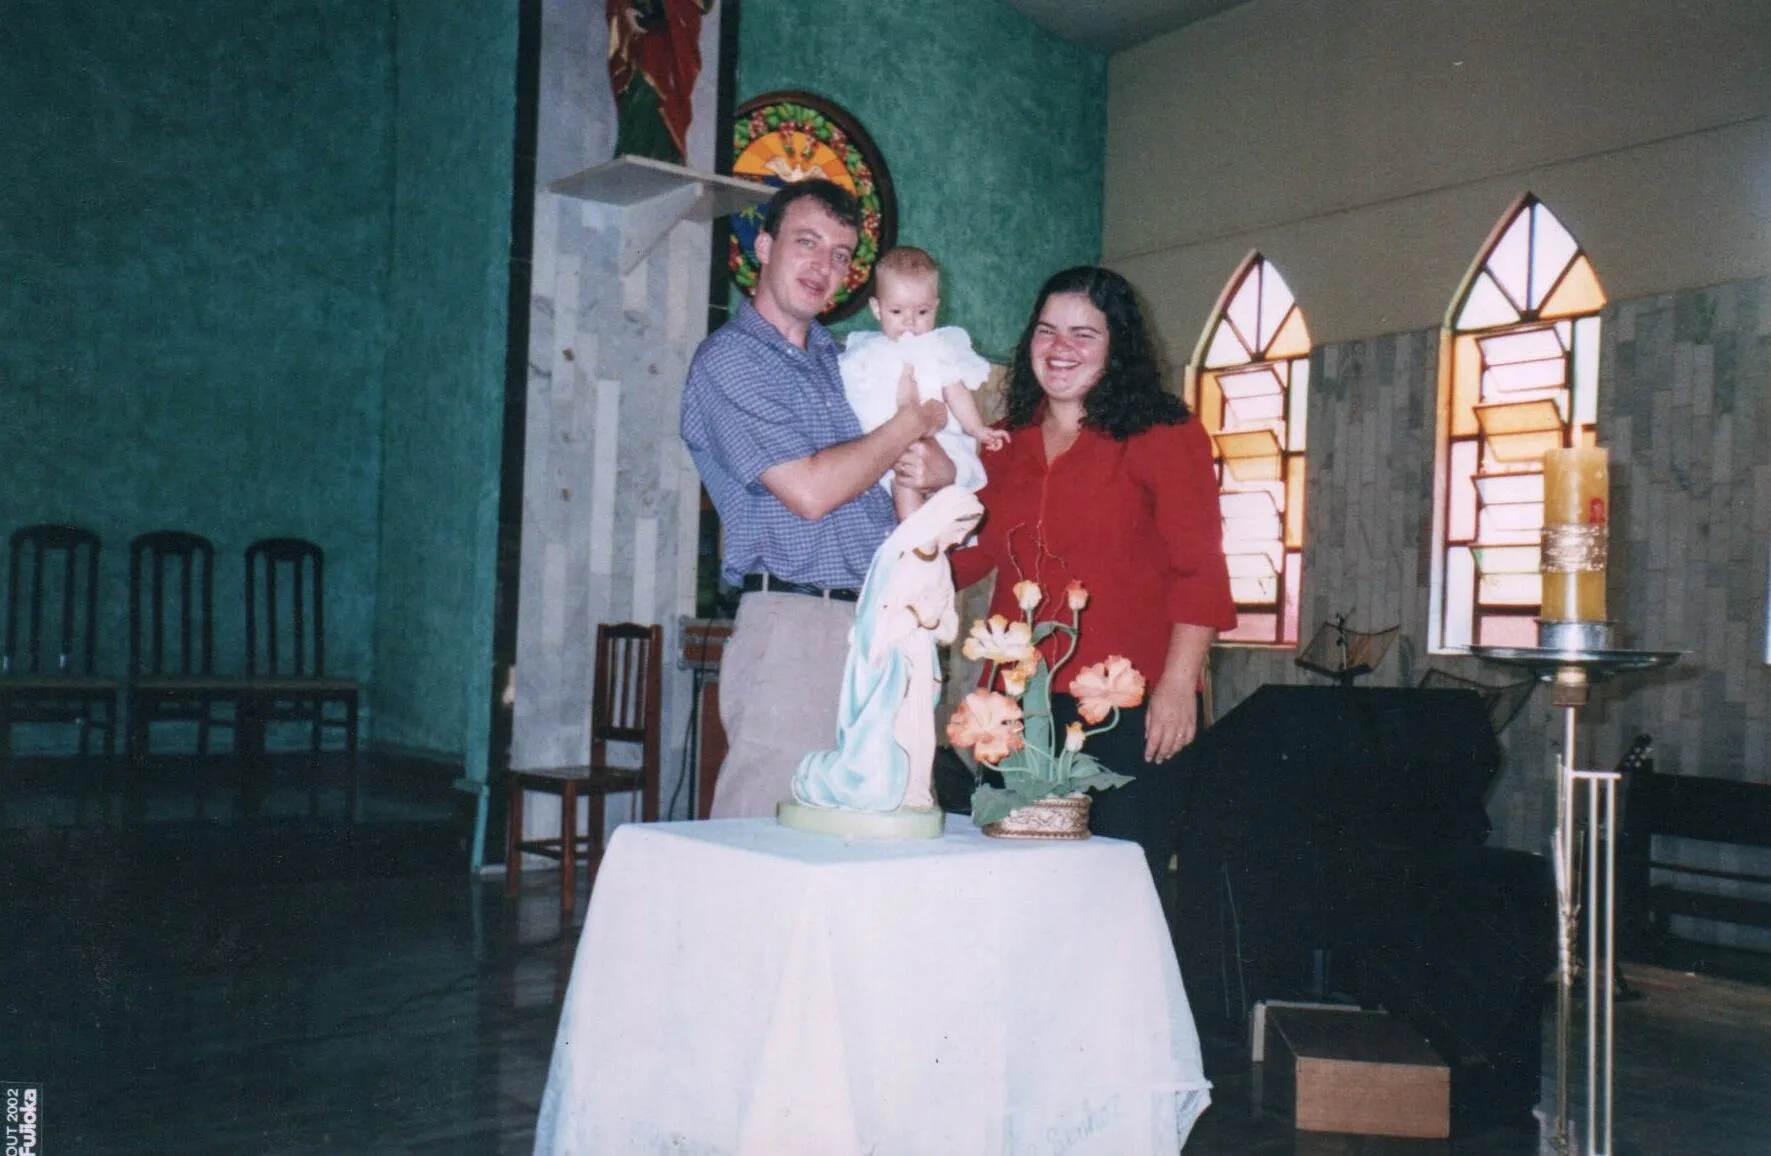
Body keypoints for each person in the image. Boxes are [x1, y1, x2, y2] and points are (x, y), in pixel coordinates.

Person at [680, 179, 956, 819]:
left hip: (879, 623)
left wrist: (936, 468)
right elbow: (809, 491)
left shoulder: (849, 360)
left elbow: (899, 487)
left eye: (840, 254)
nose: (824, 266)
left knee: (877, 834)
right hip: (795, 624)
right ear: (765, 246)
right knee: (768, 837)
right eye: (807, 243)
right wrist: (910, 426)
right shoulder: (731, 360)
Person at [950, 266, 1236, 881]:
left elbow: (1200, 569)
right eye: (1048, 331)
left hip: (1128, 708)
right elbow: (967, 556)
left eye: (1084, 334)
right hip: (1017, 713)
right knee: (1016, 887)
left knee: (1117, 890)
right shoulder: (1001, 443)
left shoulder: (1163, 433)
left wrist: (1178, 689)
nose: (1061, 349)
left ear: (1119, 346)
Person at [793, 485, 983, 814]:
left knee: (921, 731)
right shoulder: (901, 560)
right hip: (892, 662)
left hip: (921, 658)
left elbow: (949, 625)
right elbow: (875, 628)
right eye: (960, 529)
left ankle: (915, 791)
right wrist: (917, 615)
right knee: (894, 729)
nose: (962, 539)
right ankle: (884, 790)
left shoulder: (940, 565)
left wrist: (934, 619)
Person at [840, 247, 1006, 493]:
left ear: (935, 308)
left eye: (922, 312)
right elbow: (848, 393)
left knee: (913, 485)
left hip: (931, 444)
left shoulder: (938, 350)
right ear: (877, 309)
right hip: (879, 444)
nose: (909, 321)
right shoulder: (866, 351)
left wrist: (977, 429)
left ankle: (920, 526)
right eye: (896, 311)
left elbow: (956, 392)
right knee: (896, 481)